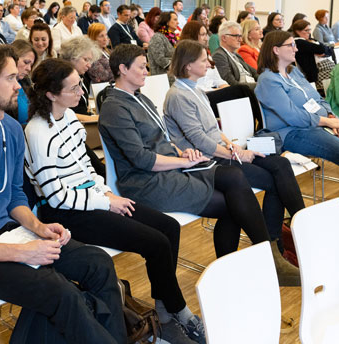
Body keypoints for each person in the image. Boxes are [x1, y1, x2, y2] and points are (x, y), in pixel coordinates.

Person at [0, 45, 126, 343]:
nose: (19, 85)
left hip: (5, 233)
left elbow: (14, 195)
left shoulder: (10, 130)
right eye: (9, 78)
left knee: (98, 264)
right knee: (60, 292)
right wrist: (24, 252)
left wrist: (38, 227)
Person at [25, 58, 207, 342]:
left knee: (168, 227)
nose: (81, 94)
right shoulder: (37, 132)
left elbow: (86, 167)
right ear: (51, 94)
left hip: (93, 198)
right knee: (156, 243)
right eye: (73, 89)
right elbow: (55, 196)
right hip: (65, 213)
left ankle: (164, 310)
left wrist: (105, 193)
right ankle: (177, 311)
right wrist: (104, 202)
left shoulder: (69, 118)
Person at [99, 44, 275, 262]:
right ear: (123, 69)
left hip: (168, 172)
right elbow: (143, 159)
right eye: (142, 67)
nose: (147, 71)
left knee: (235, 200)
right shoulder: (115, 107)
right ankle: (262, 258)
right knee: (233, 206)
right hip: (146, 182)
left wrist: (182, 152)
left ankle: (249, 261)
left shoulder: (140, 98)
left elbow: (162, 140)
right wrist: (181, 161)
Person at [163, 40, 304, 285]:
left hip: (219, 152)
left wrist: (234, 146)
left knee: (278, 166)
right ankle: (275, 251)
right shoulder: (178, 95)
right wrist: (237, 155)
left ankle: (283, 243)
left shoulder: (194, 89)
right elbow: (200, 141)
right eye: (202, 60)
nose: (209, 63)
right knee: (272, 182)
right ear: (187, 66)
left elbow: (214, 132)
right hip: (204, 161)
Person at [255, 30, 339, 178]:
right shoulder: (268, 80)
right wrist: (327, 121)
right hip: (293, 132)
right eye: (291, 45)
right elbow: (292, 116)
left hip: (320, 124)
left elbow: (318, 99)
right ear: (276, 50)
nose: (296, 48)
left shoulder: (293, 71)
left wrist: (331, 116)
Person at [212, 21, 258, 88]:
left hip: (251, 87)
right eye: (236, 36)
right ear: (224, 38)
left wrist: (265, 81)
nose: (240, 39)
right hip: (243, 93)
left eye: (240, 36)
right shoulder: (219, 55)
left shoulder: (236, 55)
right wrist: (258, 86)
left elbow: (254, 72)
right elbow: (231, 83)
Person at [9, 39, 36, 126]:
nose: (29, 68)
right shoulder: (1, 86)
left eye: (31, 65)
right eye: (26, 62)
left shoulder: (25, 81)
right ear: (13, 58)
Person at [147, 11, 179, 76]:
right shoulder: (157, 37)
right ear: (167, 22)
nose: (178, 22)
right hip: (162, 77)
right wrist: (176, 68)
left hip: (172, 74)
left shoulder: (173, 37)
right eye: (175, 20)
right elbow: (160, 59)